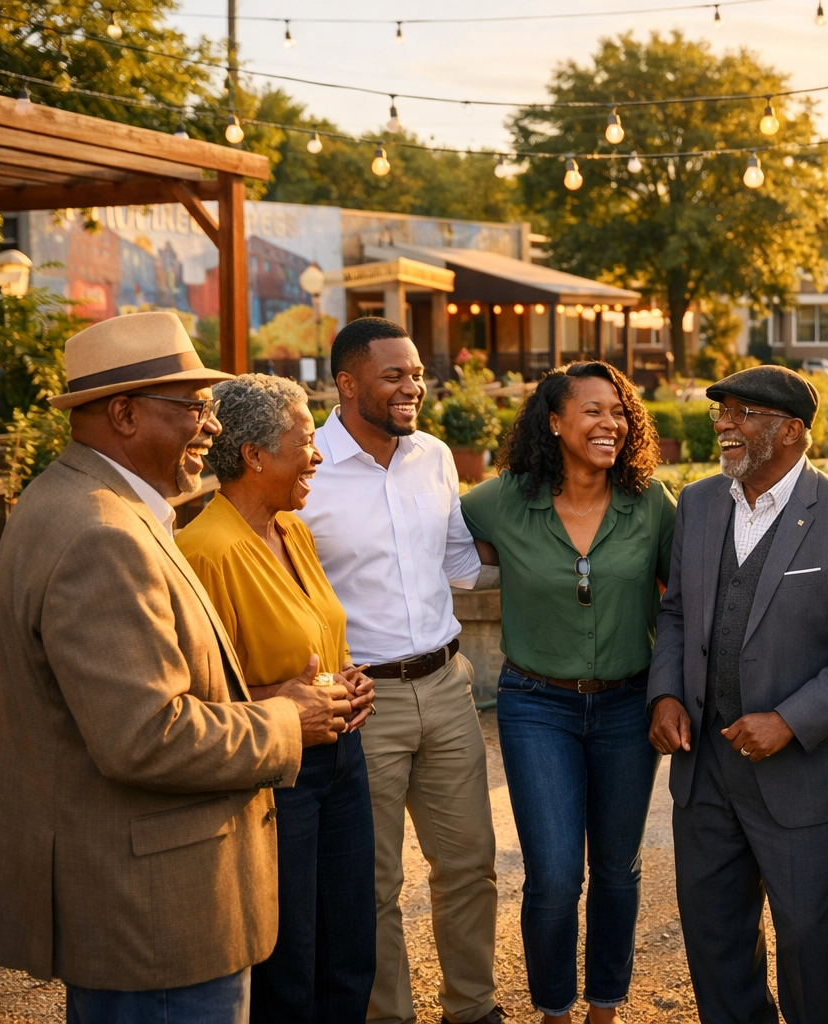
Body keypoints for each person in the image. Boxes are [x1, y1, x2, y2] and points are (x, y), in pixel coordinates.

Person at [0, 312, 351, 1023]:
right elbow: (145, 735)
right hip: (157, 917)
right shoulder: (101, 533)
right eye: (194, 408)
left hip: (141, 903)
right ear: (122, 414)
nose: (211, 429)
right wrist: (287, 719)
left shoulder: (88, 505)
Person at [647, 365, 828, 1024]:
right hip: (703, 767)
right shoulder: (699, 503)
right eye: (721, 413)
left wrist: (789, 721)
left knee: (809, 943)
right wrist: (666, 693)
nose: (725, 425)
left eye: (742, 413)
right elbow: (675, 614)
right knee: (715, 939)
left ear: (790, 431)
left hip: (801, 774)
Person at [295, 317, 501, 1024]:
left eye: (416, 373)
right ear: (348, 384)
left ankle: (472, 1010)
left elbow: (459, 567)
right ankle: (389, 1017)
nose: (413, 386)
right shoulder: (305, 466)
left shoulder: (435, 456)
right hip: (361, 702)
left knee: (470, 865)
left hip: (447, 686)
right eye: (395, 375)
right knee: (371, 883)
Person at [461, 362, 675, 1024]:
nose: (610, 422)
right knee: (554, 877)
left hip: (625, 704)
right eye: (591, 410)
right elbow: (424, 545)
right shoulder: (498, 502)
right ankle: (554, 1009)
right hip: (535, 705)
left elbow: (684, 604)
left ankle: (604, 1008)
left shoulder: (652, 504)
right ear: (554, 422)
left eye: (618, 411)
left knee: (617, 869)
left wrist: (671, 691)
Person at [177, 374, 378, 1023]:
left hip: (342, 763)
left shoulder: (295, 533)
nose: (317, 456)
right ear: (254, 456)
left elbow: (322, 646)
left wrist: (349, 684)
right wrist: (287, 704)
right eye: (307, 441)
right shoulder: (205, 551)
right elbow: (196, 700)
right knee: (288, 963)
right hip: (272, 780)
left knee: (349, 946)